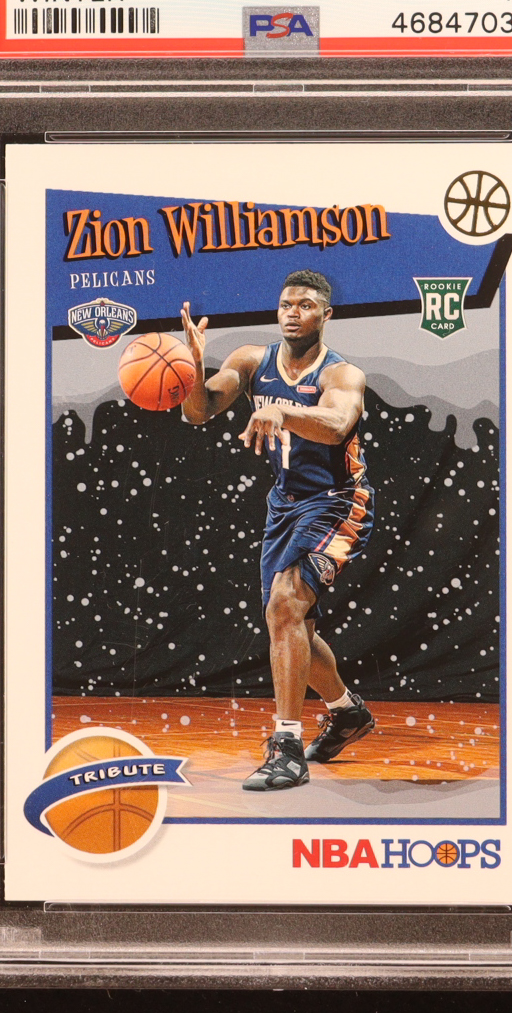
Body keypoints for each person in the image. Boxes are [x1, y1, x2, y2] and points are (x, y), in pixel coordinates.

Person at [181, 270, 375, 791]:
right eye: (287, 303)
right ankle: (347, 711)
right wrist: (192, 366)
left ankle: (286, 748)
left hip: (338, 501)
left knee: (284, 607)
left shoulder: (342, 374)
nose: (293, 312)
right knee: (293, 625)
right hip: (285, 506)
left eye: (306, 305)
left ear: (325, 315)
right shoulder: (251, 360)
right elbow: (198, 412)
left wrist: (281, 409)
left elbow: (337, 425)